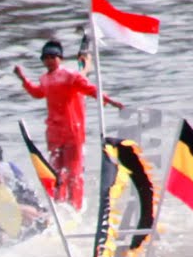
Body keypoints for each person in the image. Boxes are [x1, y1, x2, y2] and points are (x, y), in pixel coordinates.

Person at [13, 39, 124, 209]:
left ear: (60, 58)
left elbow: (91, 89)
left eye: (52, 57)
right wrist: (23, 79)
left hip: (73, 131)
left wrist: (110, 101)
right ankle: (59, 204)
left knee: (74, 172)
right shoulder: (45, 78)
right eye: (45, 58)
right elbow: (38, 93)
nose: (49, 61)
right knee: (56, 172)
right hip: (54, 132)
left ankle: (75, 205)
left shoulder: (71, 76)